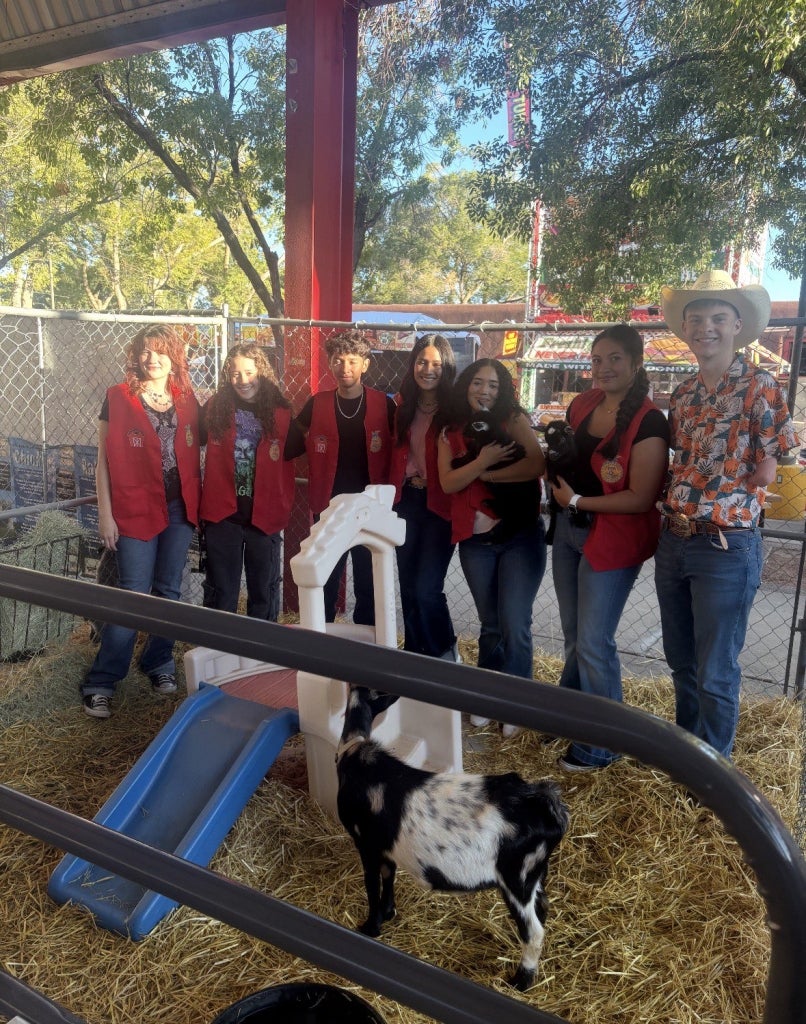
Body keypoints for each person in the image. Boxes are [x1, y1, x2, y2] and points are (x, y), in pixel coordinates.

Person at [655, 269, 798, 759]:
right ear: (685, 328)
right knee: (681, 661)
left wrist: (744, 481)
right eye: (696, 319)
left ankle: (714, 774)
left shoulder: (762, 386)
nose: (706, 328)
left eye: (718, 317)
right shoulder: (682, 394)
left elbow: (769, 469)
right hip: (674, 538)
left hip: (725, 544)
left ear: (737, 326)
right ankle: (688, 757)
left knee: (715, 670)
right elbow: (682, 458)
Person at [549, 325, 671, 771]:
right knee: (573, 634)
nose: (604, 368)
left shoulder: (651, 421)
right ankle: (568, 716)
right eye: (597, 359)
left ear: (636, 363)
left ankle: (603, 745)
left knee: (595, 642)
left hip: (613, 537)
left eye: (615, 358)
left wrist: (577, 501)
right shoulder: (583, 403)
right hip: (568, 528)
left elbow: (641, 497)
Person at [81, 324, 202, 719]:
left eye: (161, 351)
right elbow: (102, 461)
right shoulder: (117, 397)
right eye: (145, 351)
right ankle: (102, 681)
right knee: (133, 594)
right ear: (136, 356)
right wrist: (105, 514)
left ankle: (158, 660)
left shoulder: (186, 398)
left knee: (169, 590)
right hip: (134, 506)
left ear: (174, 357)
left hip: (179, 507)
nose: (153, 359)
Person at [438, 358, 547, 736]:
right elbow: (448, 482)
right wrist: (483, 462)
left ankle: (516, 701)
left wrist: (486, 473)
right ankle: (487, 697)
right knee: (491, 624)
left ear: (503, 391)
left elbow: (536, 464)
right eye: (478, 383)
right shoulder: (450, 430)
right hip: (477, 542)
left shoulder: (512, 419)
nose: (484, 391)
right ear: (466, 385)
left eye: (493, 385)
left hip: (520, 536)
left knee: (515, 621)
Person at [295, 329, 395, 624]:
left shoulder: (384, 404)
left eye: (352, 360)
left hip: (370, 505)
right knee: (326, 574)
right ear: (330, 363)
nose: (345, 367)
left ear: (365, 364)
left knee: (368, 579)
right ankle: (322, 636)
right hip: (330, 505)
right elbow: (294, 437)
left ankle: (367, 640)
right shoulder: (318, 403)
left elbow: (401, 447)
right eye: (338, 360)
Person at [200, 343, 304, 620]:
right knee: (222, 592)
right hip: (223, 515)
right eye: (235, 373)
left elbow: (298, 450)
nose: (242, 380)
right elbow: (190, 439)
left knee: (263, 592)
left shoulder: (282, 414)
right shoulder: (214, 407)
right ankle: (219, 644)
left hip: (264, 518)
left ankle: (260, 646)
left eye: (249, 372)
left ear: (262, 373)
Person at [389, 334, 458, 661]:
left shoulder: (456, 409)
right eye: (421, 362)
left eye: (436, 364)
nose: (428, 370)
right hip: (407, 502)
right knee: (407, 587)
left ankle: (444, 653)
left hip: (441, 506)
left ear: (447, 367)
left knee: (426, 589)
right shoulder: (402, 405)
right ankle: (414, 657)